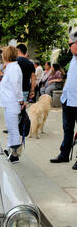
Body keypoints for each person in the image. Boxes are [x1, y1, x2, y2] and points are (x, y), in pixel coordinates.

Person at [50, 28, 77, 168]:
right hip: (68, 100)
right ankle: (64, 154)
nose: (68, 47)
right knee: (67, 129)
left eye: (70, 44)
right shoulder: (73, 59)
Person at [0, 46, 24, 163]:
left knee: (13, 129)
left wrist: (20, 101)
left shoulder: (13, 68)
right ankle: (9, 149)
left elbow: (16, 86)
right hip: (10, 102)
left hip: (12, 103)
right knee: (11, 128)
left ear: (6, 55)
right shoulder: (11, 67)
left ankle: (15, 155)